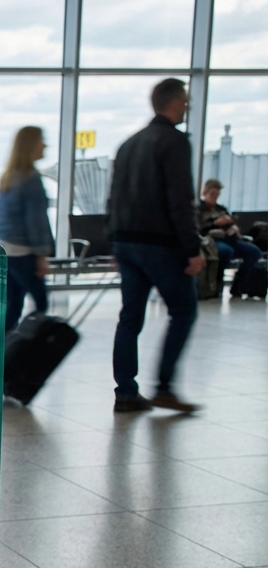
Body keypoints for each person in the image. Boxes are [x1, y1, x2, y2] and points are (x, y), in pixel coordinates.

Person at [108, 78, 204, 414]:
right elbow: (181, 201)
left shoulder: (128, 144)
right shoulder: (174, 142)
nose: (187, 107)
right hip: (160, 245)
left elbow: (113, 199)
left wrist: (115, 243)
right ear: (173, 102)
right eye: (184, 101)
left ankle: (126, 392)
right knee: (184, 310)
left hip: (127, 243)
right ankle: (164, 387)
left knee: (129, 319)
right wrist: (193, 248)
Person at [0, 126, 54, 331]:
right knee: (41, 303)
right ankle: (27, 348)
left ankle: (2, 353)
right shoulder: (31, 179)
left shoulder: (9, 176)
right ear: (30, 145)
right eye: (41, 140)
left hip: (5, 249)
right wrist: (42, 256)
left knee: (12, 304)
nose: (45, 145)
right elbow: (36, 221)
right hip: (22, 251)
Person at [198, 178, 263, 296]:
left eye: (217, 195)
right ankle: (216, 285)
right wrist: (214, 223)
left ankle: (239, 284)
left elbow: (231, 223)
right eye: (212, 194)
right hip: (212, 240)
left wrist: (231, 224)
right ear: (205, 192)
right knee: (226, 252)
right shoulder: (199, 209)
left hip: (230, 238)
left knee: (254, 252)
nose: (214, 198)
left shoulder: (221, 209)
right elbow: (199, 228)